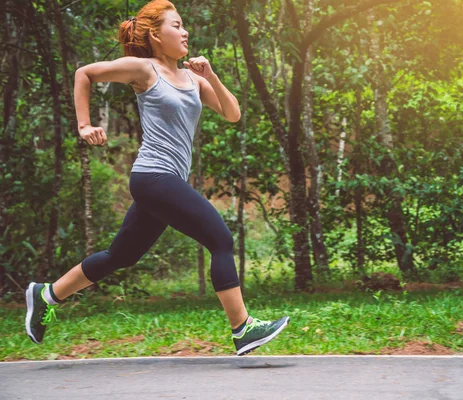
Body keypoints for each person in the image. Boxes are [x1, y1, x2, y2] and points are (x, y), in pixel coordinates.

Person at [24, 0, 289, 356]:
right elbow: (84, 73)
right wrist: (85, 125)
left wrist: (210, 75)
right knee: (220, 240)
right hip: (153, 176)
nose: (185, 32)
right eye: (176, 26)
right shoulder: (144, 68)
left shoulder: (193, 79)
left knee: (121, 255)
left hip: (163, 182)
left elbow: (232, 113)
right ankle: (243, 328)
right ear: (155, 34)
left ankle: (47, 294)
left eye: (183, 26)